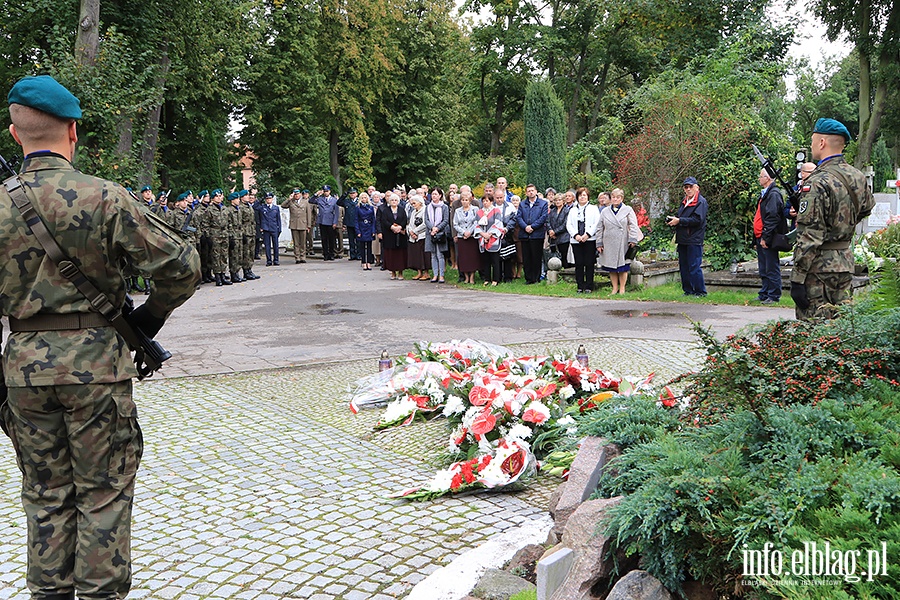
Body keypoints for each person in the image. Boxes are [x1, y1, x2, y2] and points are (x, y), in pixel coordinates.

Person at [0, 75, 200, 600]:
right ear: (72, 131)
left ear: (15, 134)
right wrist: (150, 319)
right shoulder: (104, 198)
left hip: (23, 375)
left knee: (44, 497)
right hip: (97, 372)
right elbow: (181, 265)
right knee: (103, 496)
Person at [791, 118, 875, 320]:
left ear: (821, 142)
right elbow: (866, 209)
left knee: (815, 330)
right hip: (845, 264)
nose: (812, 146)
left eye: (813, 141)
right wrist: (840, 225)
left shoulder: (817, 181)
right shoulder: (857, 177)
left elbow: (810, 234)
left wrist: (797, 277)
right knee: (843, 328)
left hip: (818, 269)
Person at [666, 177, 708, 297]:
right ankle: (688, 290)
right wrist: (674, 220)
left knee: (694, 266)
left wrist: (679, 221)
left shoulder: (701, 202)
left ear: (697, 187)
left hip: (694, 238)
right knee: (684, 266)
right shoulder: (685, 201)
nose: (688, 189)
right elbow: (684, 218)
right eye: (686, 187)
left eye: (691, 187)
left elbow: (697, 220)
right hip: (683, 238)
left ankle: (700, 291)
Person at [597, 188, 643, 295]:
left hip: (623, 242)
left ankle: (622, 288)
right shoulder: (605, 211)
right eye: (613, 197)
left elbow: (633, 225)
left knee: (623, 267)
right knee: (611, 267)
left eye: (618, 197)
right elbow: (600, 228)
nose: (615, 199)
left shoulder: (628, 210)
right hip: (608, 242)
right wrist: (599, 243)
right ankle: (614, 288)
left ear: (622, 198)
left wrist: (632, 239)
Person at [754, 169, 785, 304]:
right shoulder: (765, 194)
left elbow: (772, 217)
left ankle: (773, 294)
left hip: (768, 237)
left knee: (771, 266)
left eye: (761, 176)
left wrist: (766, 237)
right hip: (760, 235)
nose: (759, 179)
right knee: (763, 266)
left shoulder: (773, 194)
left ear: (767, 178)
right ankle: (765, 292)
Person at [566, 187, 601, 293]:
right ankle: (580, 286)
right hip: (576, 240)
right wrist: (576, 235)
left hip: (589, 240)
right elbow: (569, 224)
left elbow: (597, 223)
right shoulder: (572, 210)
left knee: (589, 263)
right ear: (577, 197)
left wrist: (588, 235)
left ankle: (589, 286)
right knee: (579, 263)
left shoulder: (594, 209)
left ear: (588, 197)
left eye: (584, 195)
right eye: (580, 195)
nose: (582, 197)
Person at [516, 184, 549, 285]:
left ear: (536, 191)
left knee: (536, 257)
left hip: (537, 234)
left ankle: (536, 277)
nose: (531, 192)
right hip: (524, 234)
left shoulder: (543, 204)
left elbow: (543, 217)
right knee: (526, 257)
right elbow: (519, 217)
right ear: (526, 193)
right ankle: (528, 278)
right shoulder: (522, 204)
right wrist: (525, 227)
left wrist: (532, 227)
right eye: (528, 191)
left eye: (532, 190)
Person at [475, 193, 504, 286]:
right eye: (483, 201)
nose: (485, 203)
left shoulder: (496, 211)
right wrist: (483, 235)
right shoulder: (479, 212)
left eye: (487, 201)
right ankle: (486, 278)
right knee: (486, 260)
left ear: (491, 201)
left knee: (495, 260)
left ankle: (496, 279)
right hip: (483, 239)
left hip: (493, 238)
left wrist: (489, 234)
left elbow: (498, 223)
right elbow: (476, 224)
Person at [378, 193, 408, 280]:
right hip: (389, 235)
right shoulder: (386, 210)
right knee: (391, 255)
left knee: (400, 255)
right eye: (392, 200)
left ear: (398, 201)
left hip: (400, 236)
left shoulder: (402, 210)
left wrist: (400, 227)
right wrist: (391, 227)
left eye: (395, 200)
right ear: (389, 201)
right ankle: (393, 273)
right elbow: (384, 220)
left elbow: (404, 219)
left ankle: (401, 273)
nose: (394, 202)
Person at [453, 189, 480, 284]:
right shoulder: (457, 211)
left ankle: (472, 277)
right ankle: (466, 277)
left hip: (472, 237)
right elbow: (455, 224)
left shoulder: (475, 209)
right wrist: (464, 232)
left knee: (472, 257)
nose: (464, 202)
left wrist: (469, 232)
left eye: (466, 200)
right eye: (463, 200)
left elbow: (476, 222)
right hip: (462, 237)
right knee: (463, 258)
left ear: (470, 200)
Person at [425, 187, 451, 283]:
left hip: (440, 234)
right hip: (430, 233)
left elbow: (445, 220)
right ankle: (435, 275)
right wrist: (432, 228)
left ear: (440, 195)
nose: (434, 196)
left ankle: (441, 275)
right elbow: (426, 220)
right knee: (433, 255)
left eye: (436, 194)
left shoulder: (444, 207)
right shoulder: (428, 207)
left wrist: (437, 228)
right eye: (432, 194)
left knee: (440, 255)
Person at [282, 188, 313, 263]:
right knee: (296, 243)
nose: (296, 196)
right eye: (295, 194)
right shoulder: (291, 202)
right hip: (294, 224)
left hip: (303, 224)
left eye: (298, 194)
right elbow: (283, 205)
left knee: (303, 242)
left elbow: (308, 214)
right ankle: (297, 257)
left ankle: (303, 257)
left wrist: (309, 225)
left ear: (300, 194)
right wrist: (289, 199)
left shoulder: (305, 202)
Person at [311, 185, 340, 261]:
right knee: (324, 239)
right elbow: (311, 201)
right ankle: (325, 254)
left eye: (327, 191)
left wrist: (335, 222)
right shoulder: (320, 199)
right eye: (324, 191)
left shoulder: (334, 200)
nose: (325, 193)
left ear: (329, 191)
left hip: (330, 221)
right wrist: (316, 194)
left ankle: (331, 254)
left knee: (331, 239)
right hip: (322, 221)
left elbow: (336, 212)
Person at [406, 194, 430, 280]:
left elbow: (425, 223)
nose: (413, 205)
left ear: (420, 202)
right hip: (414, 237)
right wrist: (411, 231)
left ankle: (426, 273)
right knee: (416, 254)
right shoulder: (413, 212)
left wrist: (415, 231)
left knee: (424, 255)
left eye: (414, 203)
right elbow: (410, 223)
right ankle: (419, 272)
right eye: (412, 203)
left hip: (422, 235)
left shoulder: (425, 210)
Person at [547, 190, 571, 268]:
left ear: (563, 201)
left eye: (559, 200)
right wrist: (550, 231)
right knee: (554, 256)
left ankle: (565, 273)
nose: (557, 201)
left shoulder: (567, 211)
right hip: (553, 238)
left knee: (564, 256)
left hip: (564, 238)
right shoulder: (552, 211)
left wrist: (555, 232)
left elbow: (565, 224)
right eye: (556, 200)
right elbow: (548, 221)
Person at [259, 192, 282, 266]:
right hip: (266, 228)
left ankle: (276, 260)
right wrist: (261, 227)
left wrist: (279, 228)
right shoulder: (262, 208)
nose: (269, 200)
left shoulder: (276, 208)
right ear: (265, 199)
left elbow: (278, 219)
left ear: (272, 199)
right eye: (267, 199)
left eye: (270, 198)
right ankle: (269, 260)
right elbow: (260, 218)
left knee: (275, 245)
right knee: (267, 245)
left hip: (274, 228)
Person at [337, 188, 360, 261]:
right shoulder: (347, 201)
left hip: (358, 223)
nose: (352, 195)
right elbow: (338, 202)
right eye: (351, 193)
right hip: (350, 223)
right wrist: (345, 195)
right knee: (351, 240)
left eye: (353, 193)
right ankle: (352, 255)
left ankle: (359, 255)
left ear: (356, 194)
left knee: (358, 240)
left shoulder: (359, 201)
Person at [356, 192, 376, 271]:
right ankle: (363, 262)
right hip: (361, 227)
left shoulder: (371, 207)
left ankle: (369, 263)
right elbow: (356, 220)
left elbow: (373, 219)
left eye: (365, 197)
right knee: (362, 247)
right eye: (363, 198)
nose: (364, 199)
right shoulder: (358, 207)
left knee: (369, 246)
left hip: (369, 227)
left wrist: (373, 230)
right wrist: (357, 231)